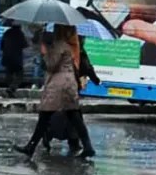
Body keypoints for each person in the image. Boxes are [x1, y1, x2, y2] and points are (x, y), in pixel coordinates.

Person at [13, 25, 95, 158]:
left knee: (44, 117)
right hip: (68, 85)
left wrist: (45, 52)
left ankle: (31, 147)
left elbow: (51, 66)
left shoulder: (59, 45)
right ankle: (88, 146)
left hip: (58, 86)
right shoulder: (69, 45)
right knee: (75, 117)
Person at [0, 22, 28, 98]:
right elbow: (25, 45)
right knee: (20, 75)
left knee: (9, 74)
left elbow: (1, 45)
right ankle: (12, 88)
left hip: (7, 58)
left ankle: (10, 89)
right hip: (17, 59)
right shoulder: (20, 34)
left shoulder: (7, 33)